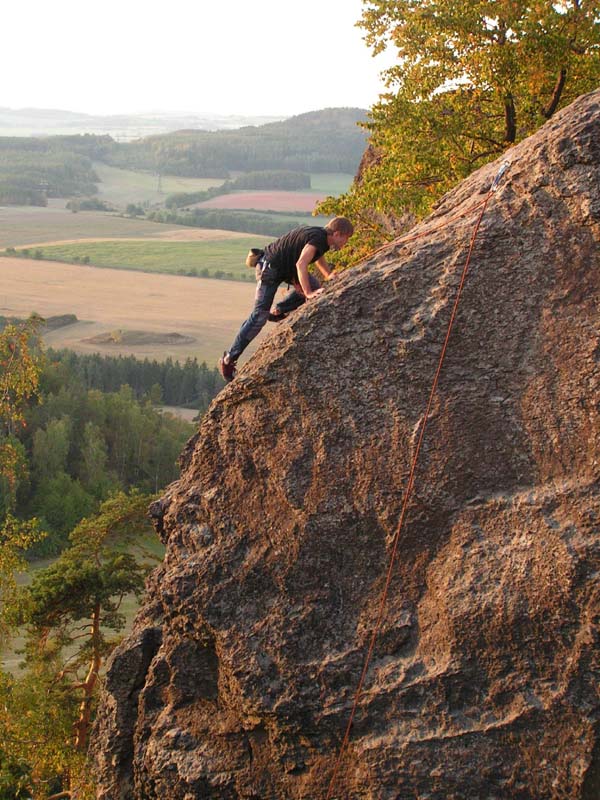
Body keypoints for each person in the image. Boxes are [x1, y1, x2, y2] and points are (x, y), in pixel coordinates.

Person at [219, 217, 354, 381]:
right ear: (337, 234)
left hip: (285, 269)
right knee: (259, 316)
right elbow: (301, 264)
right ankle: (229, 359)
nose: (346, 243)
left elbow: (318, 255)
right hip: (269, 267)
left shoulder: (322, 238)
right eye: (346, 238)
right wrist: (308, 293)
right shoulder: (318, 238)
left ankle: (279, 310)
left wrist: (327, 274)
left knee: (316, 288)